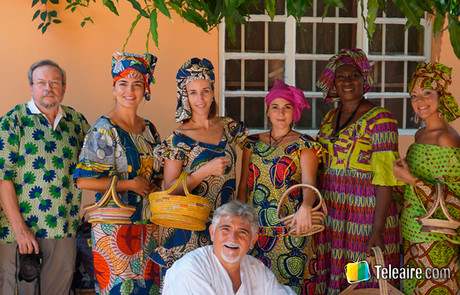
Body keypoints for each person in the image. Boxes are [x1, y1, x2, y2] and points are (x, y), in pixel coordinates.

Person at [314, 48, 403, 295]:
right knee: (337, 268)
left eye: (354, 75)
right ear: (334, 83)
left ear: (365, 80)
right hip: (332, 207)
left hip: (365, 211)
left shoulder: (382, 119)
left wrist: (377, 230)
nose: (347, 81)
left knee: (362, 273)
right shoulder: (330, 116)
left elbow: (385, 177)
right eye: (340, 76)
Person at [73, 51, 162, 295]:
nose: (129, 91)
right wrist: (130, 185)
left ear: (146, 89)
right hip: (114, 231)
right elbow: (83, 181)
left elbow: (155, 173)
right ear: (113, 88)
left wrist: (151, 185)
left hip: (149, 227)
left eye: (137, 84)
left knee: (150, 290)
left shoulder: (149, 129)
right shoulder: (104, 130)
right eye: (123, 84)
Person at [152, 58, 248, 279]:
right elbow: (170, 190)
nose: (200, 98)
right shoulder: (178, 139)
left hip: (225, 229)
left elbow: (254, 152)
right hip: (188, 233)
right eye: (193, 92)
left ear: (213, 92)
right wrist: (205, 170)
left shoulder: (228, 127)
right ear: (184, 96)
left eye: (205, 91)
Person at [0, 59, 90, 295]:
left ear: (64, 87)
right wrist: (20, 230)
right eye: (41, 82)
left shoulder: (77, 122)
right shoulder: (13, 121)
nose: (48, 88)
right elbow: (2, 177)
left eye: (54, 82)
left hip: (64, 230)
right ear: (31, 87)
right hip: (19, 234)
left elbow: (94, 168)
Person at [237, 79, 323, 295]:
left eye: (287, 107)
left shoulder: (305, 144)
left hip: (291, 229)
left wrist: (305, 207)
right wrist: (239, 220)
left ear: (294, 113)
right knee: (255, 286)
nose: (280, 112)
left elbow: (310, 185)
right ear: (268, 111)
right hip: (256, 231)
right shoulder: (252, 143)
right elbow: (243, 186)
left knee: (289, 288)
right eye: (275, 107)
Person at [393, 62, 460, 295]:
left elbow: (455, 200)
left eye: (427, 93)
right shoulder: (420, 133)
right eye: (414, 96)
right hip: (411, 230)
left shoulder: (447, 139)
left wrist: (411, 179)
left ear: (441, 95)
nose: (419, 101)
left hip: (437, 236)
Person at [162, 200, 296, 295]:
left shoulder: (256, 269)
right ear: (213, 233)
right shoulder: (191, 268)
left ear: (252, 241)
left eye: (242, 232)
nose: (233, 238)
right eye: (225, 229)